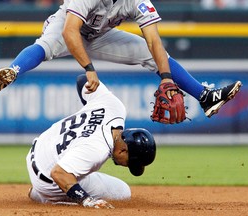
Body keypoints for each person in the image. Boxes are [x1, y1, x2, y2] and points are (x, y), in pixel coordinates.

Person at [0, 0, 242, 120]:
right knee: (45, 46)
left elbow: (154, 40)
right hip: (67, 26)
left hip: (101, 35)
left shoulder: (137, 0)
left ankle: (205, 97)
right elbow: (70, 31)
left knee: (151, 53)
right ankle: (14, 69)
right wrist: (89, 69)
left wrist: (166, 78)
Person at [26, 74, 156, 208]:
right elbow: (58, 173)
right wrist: (87, 200)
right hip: (50, 180)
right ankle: (44, 196)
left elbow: (83, 79)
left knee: (82, 166)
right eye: (130, 163)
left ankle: (44, 192)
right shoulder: (98, 150)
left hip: (40, 148)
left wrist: (90, 116)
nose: (126, 166)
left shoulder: (115, 107)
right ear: (123, 150)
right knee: (122, 192)